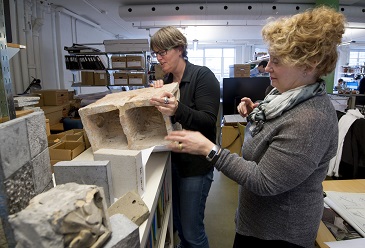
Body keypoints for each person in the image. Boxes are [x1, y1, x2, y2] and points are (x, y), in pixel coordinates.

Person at [163, 6, 344, 248]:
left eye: (276, 61)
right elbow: (275, 139)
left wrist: (210, 148)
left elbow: (264, 181)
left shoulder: (311, 119)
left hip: (278, 234)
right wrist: (254, 116)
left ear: (309, 65)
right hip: (257, 222)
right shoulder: (283, 98)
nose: (267, 67)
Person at [149, 26, 220, 248]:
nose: (159, 58)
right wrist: (155, 99)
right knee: (179, 225)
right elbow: (162, 126)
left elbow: (208, 121)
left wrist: (176, 108)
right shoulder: (168, 81)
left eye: (163, 52)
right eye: (156, 54)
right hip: (173, 164)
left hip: (195, 167)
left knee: (192, 232)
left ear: (179, 49)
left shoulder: (202, 76)